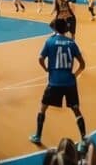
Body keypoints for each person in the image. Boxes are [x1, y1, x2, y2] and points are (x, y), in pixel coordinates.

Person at [31, 18, 87, 146]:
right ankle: (84, 140)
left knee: (43, 108)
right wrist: (75, 75)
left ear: (55, 28)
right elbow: (82, 64)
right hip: (69, 83)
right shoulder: (72, 43)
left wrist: (46, 69)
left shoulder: (49, 41)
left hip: (54, 82)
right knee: (76, 110)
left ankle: (38, 136)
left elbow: (40, 58)